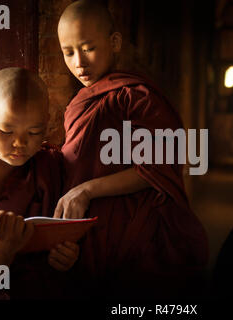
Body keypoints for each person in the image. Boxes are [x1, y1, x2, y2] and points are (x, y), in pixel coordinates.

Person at [56, 0, 209, 298]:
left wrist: (86, 190)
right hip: (90, 235)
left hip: (137, 235)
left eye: (88, 48)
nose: (79, 62)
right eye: (68, 52)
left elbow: (157, 166)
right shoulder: (80, 102)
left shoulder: (136, 97)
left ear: (114, 42)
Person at [0, 67, 79, 298]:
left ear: (47, 122)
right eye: (6, 131)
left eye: (35, 132)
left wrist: (66, 256)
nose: (20, 143)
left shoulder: (50, 168)